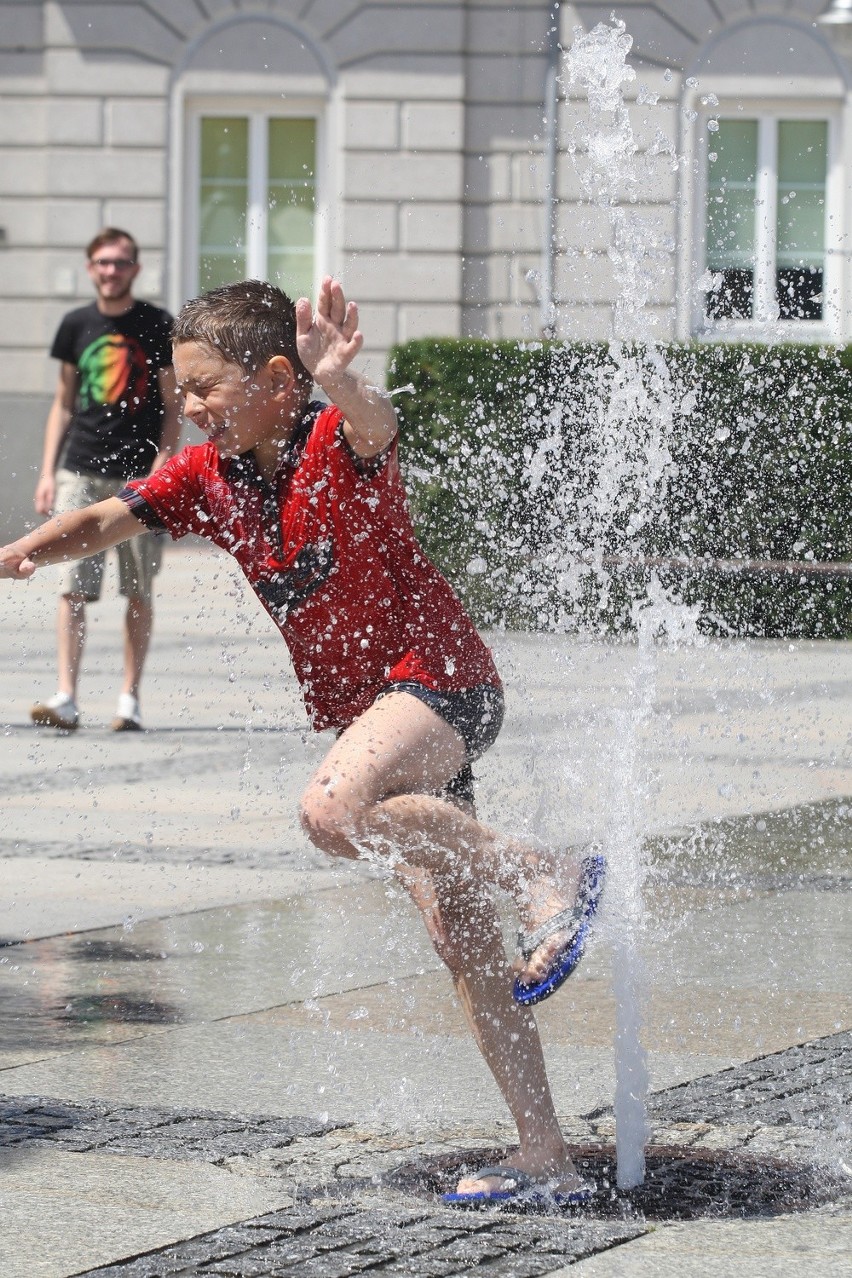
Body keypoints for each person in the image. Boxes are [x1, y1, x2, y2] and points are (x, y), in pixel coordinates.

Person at [0, 277, 604, 1207]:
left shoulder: (335, 438)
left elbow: (376, 422)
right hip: (382, 720)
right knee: (464, 943)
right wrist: (25, 548)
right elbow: (105, 519)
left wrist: (341, 379)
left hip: (441, 681)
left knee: (333, 810)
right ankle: (546, 1154)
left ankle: (543, 866)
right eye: (180, 390)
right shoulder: (206, 478)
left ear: (280, 379)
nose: (188, 407)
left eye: (204, 389)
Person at [29, 228, 181, 732]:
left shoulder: (157, 324)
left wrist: (165, 463)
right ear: (91, 267)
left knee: (138, 591)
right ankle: (67, 696)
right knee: (72, 587)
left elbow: (172, 403)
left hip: (139, 478)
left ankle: (128, 700)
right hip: (80, 469)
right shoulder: (75, 324)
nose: (111, 271)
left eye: (120, 263)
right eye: (102, 263)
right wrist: (48, 472)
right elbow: (63, 402)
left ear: (135, 269)